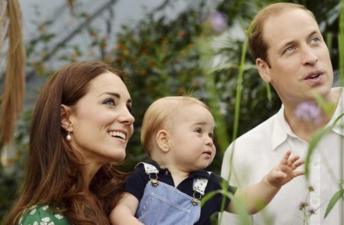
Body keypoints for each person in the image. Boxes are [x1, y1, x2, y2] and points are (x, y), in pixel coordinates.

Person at [220, 2, 344, 225]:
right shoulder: (242, 154)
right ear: (264, 69)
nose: (310, 57)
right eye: (290, 49)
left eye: (315, 40)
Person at [110, 96, 303, 225]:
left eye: (210, 134)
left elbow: (246, 203)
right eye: (199, 131)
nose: (209, 140)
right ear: (164, 140)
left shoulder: (209, 184)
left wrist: (270, 183)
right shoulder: (145, 174)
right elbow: (121, 212)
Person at [3, 61, 135, 225]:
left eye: (129, 107)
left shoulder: (125, 203)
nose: (129, 117)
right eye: (109, 102)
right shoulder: (43, 219)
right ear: (65, 118)